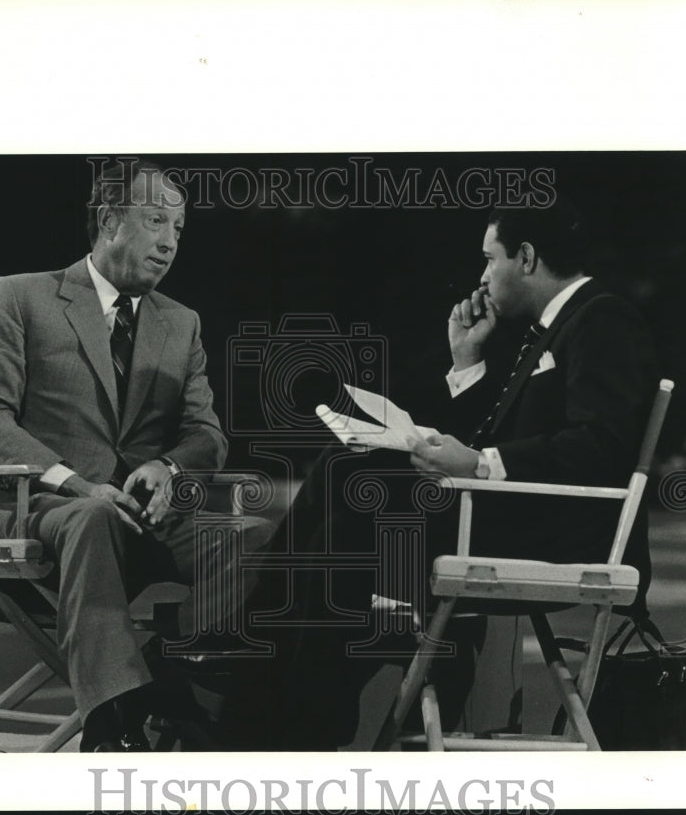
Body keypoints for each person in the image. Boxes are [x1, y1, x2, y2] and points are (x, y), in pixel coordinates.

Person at [251, 198, 659, 749]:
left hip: (565, 534)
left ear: (527, 257)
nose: (483, 275)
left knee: (355, 502)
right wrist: (466, 360)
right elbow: (503, 437)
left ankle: (296, 698)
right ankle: (280, 669)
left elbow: (602, 445)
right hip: (526, 518)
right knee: (348, 464)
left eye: (490, 259)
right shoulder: (553, 327)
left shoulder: (600, 318)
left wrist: (482, 463)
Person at [0, 159, 240, 751]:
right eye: (156, 220)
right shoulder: (19, 297)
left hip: (141, 517)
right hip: (44, 505)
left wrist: (169, 468)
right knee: (95, 515)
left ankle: (176, 671)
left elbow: (206, 434)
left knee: (249, 532)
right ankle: (115, 726)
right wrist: (77, 485)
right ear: (110, 221)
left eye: (179, 229)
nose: (169, 242)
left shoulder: (181, 324)